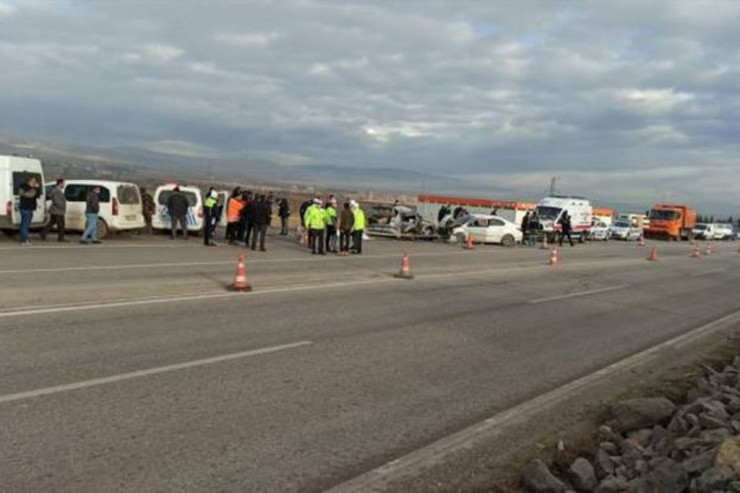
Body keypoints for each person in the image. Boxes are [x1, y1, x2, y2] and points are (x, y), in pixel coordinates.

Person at [41, 178, 67, 242]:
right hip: (57, 211)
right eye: (63, 183)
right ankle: (61, 238)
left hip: (58, 211)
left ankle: (43, 233)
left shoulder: (59, 191)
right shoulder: (55, 191)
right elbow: (56, 201)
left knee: (51, 223)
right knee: (61, 225)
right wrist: (62, 205)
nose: (63, 184)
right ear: (60, 183)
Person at [18, 176, 40, 246]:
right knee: (25, 224)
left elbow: (37, 195)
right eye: (34, 180)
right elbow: (31, 195)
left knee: (24, 224)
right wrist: (35, 188)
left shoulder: (27, 188)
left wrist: (36, 189)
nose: (35, 182)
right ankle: (24, 240)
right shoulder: (25, 187)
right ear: (29, 181)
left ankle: (23, 239)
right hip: (26, 208)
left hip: (28, 208)